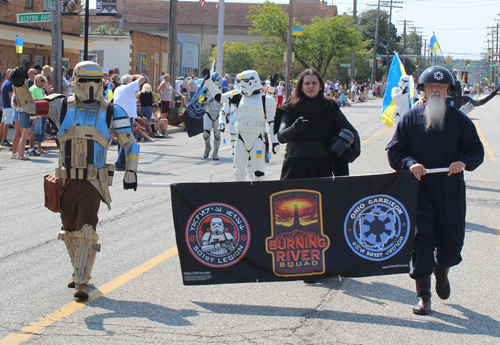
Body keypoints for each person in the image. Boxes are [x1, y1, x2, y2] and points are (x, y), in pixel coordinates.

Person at [10, 61, 139, 300]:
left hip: (93, 180)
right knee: (69, 229)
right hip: (66, 179)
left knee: (87, 228)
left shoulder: (112, 110)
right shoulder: (61, 105)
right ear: (75, 81)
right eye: (85, 81)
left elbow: (130, 143)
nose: (90, 87)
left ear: (102, 82)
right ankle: (79, 269)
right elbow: (28, 107)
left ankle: (82, 281)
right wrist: (20, 85)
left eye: (96, 81)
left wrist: (131, 170)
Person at [386, 66, 484, 315]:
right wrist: (410, 164)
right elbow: (395, 151)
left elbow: (476, 151)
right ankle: (423, 295)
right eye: (431, 87)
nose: (436, 91)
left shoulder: (460, 120)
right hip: (420, 191)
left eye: (441, 87)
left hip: (450, 191)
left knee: (451, 245)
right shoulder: (410, 118)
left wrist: (463, 162)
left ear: (449, 90)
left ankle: (442, 269)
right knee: (421, 244)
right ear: (423, 91)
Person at [274, 68, 360, 180]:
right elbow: (281, 136)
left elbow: (351, 131)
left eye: (314, 83)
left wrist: (354, 152)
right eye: (307, 83)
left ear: (320, 86)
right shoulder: (291, 108)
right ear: (301, 87)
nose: (310, 86)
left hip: (322, 169)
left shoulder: (330, 107)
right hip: (294, 169)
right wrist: (294, 128)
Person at [203, 69, 280, 180]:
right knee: (238, 173)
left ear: (251, 82)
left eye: (243, 82)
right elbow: (219, 97)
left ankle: (258, 196)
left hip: (257, 139)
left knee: (259, 174)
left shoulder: (266, 100)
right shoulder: (238, 96)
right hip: (241, 138)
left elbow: (272, 123)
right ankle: (239, 196)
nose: (240, 85)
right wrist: (208, 80)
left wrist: (275, 141)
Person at [114, 73, 146, 171]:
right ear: (129, 82)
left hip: (118, 116)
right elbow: (143, 78)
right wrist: (134, 76)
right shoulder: (128, 87)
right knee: (127, 140)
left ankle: (122, 161)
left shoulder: (118, 89)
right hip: (126, 117)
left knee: (121, 140)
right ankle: (120, 163)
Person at [1, 69, 14, 147]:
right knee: (7, 123)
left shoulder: (5, 82)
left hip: (5, 105)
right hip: (9, 106)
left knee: (3, 123)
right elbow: (11, 96)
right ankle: (4, 140)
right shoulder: (10, 84)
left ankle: (1, 139)